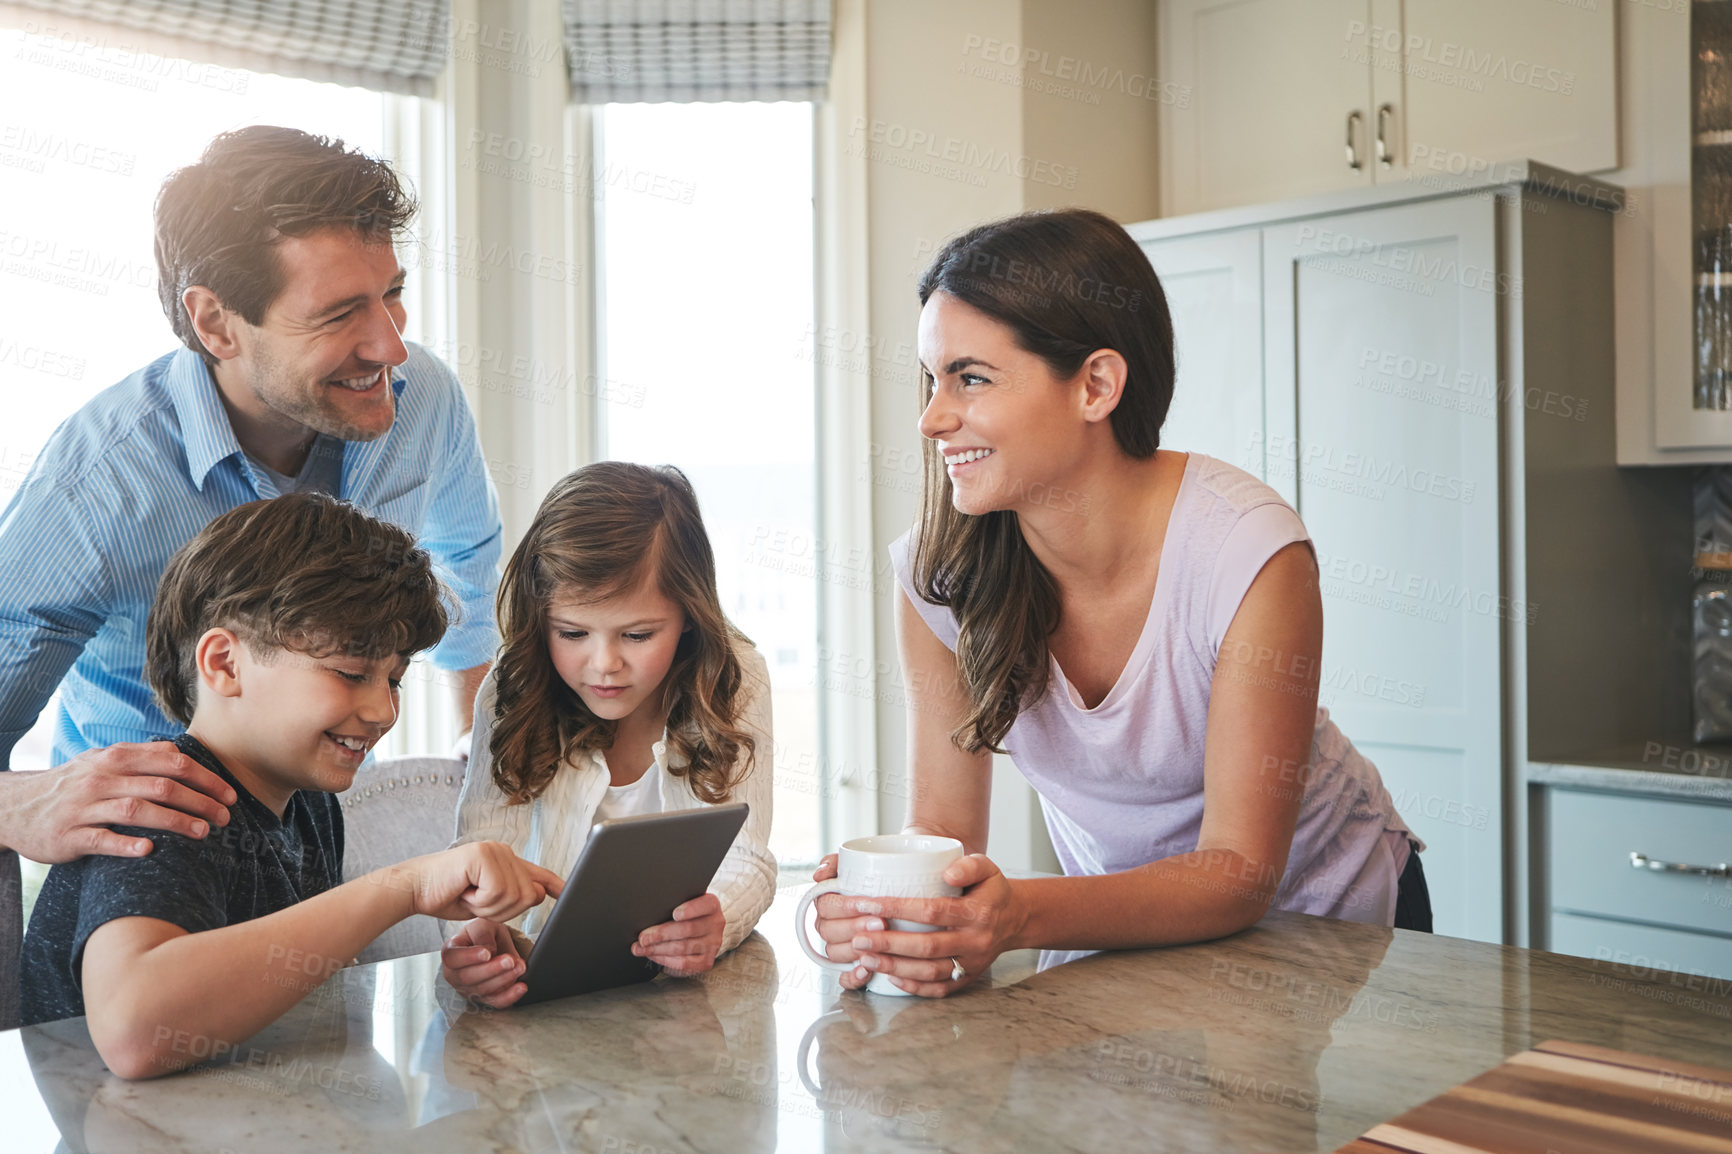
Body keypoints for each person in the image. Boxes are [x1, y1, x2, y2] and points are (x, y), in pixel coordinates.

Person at [811, 209, 1428, 997]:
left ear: (1096, 385)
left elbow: (1238, 871)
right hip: (1127, 932)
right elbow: (943, 829)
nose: (932, 418)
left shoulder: (1248, 552)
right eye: (932, 380)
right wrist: (890, 901)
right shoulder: (938, 577)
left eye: (970, 378)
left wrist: (1018, 917)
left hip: (1328, 927)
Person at [0, 125, 502, 872]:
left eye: (392, 295)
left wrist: (478, 758)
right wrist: (20, 804)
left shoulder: (423, 398)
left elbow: (471, 564)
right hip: (153, 860)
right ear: (214, 322)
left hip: (322, 835)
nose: (391, 347)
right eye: (338, 315)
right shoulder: (96, 485)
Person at [18, 493, 561, 1079]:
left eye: (395, 679)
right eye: (352, 674)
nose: (383, 710)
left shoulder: (310, 804)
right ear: (225, 664)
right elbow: (135, 1031)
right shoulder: (162, 797)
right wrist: (401, 888)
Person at [440, 462, 775, 1007]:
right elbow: (475, 854)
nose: (605, 665)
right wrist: (473, 943)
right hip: (536, 990)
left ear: (689, 614)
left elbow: (748, 856)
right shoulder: (514, 685)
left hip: (677, 1002)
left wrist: (717, 919)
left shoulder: (734, 676)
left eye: (638, 634)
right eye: (572, 633)